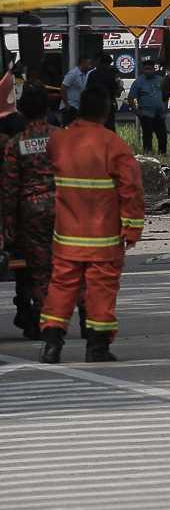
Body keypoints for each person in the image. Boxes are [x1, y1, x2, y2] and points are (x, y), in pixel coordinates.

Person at [38, 85, 143, 363]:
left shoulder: (59, 141)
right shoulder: (114, 145)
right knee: (101, 290)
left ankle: (51, 344)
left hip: (67, 236)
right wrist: (132, 228)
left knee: (61, 286)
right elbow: (131, 189)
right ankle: (97, 347)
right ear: (106, 111)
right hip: (103, 239)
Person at [2, 86, 59, 340]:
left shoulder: (17, 144)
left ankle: (41, 318)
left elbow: (10, 187)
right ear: (47, 109)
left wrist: (8, 224)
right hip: (65, 210)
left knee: (37, 269)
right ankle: (84, 312)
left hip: (32, 212)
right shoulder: (62, 138)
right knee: (68, 265)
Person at [127, 60, 170, 154]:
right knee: (147, 135)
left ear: (154, 69)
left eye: (150, 69)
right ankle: (148, 153)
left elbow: (166, 94)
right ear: (142, 69)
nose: (148, 71)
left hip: (160, 114)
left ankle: (162, 153)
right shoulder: (138, 82)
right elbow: (130, 98)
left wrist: (165, 107)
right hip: (146, 114)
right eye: (146, 69)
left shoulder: (160, 79)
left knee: (162, 135)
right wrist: (136, 111)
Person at [60, 54, 91, 123]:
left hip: (77, 107)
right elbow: (63, 88)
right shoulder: (73, 74)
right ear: (83, 63)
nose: (90, 66)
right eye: (88, 64)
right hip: (70, 107)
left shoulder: (85, 75)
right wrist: (67, 105)